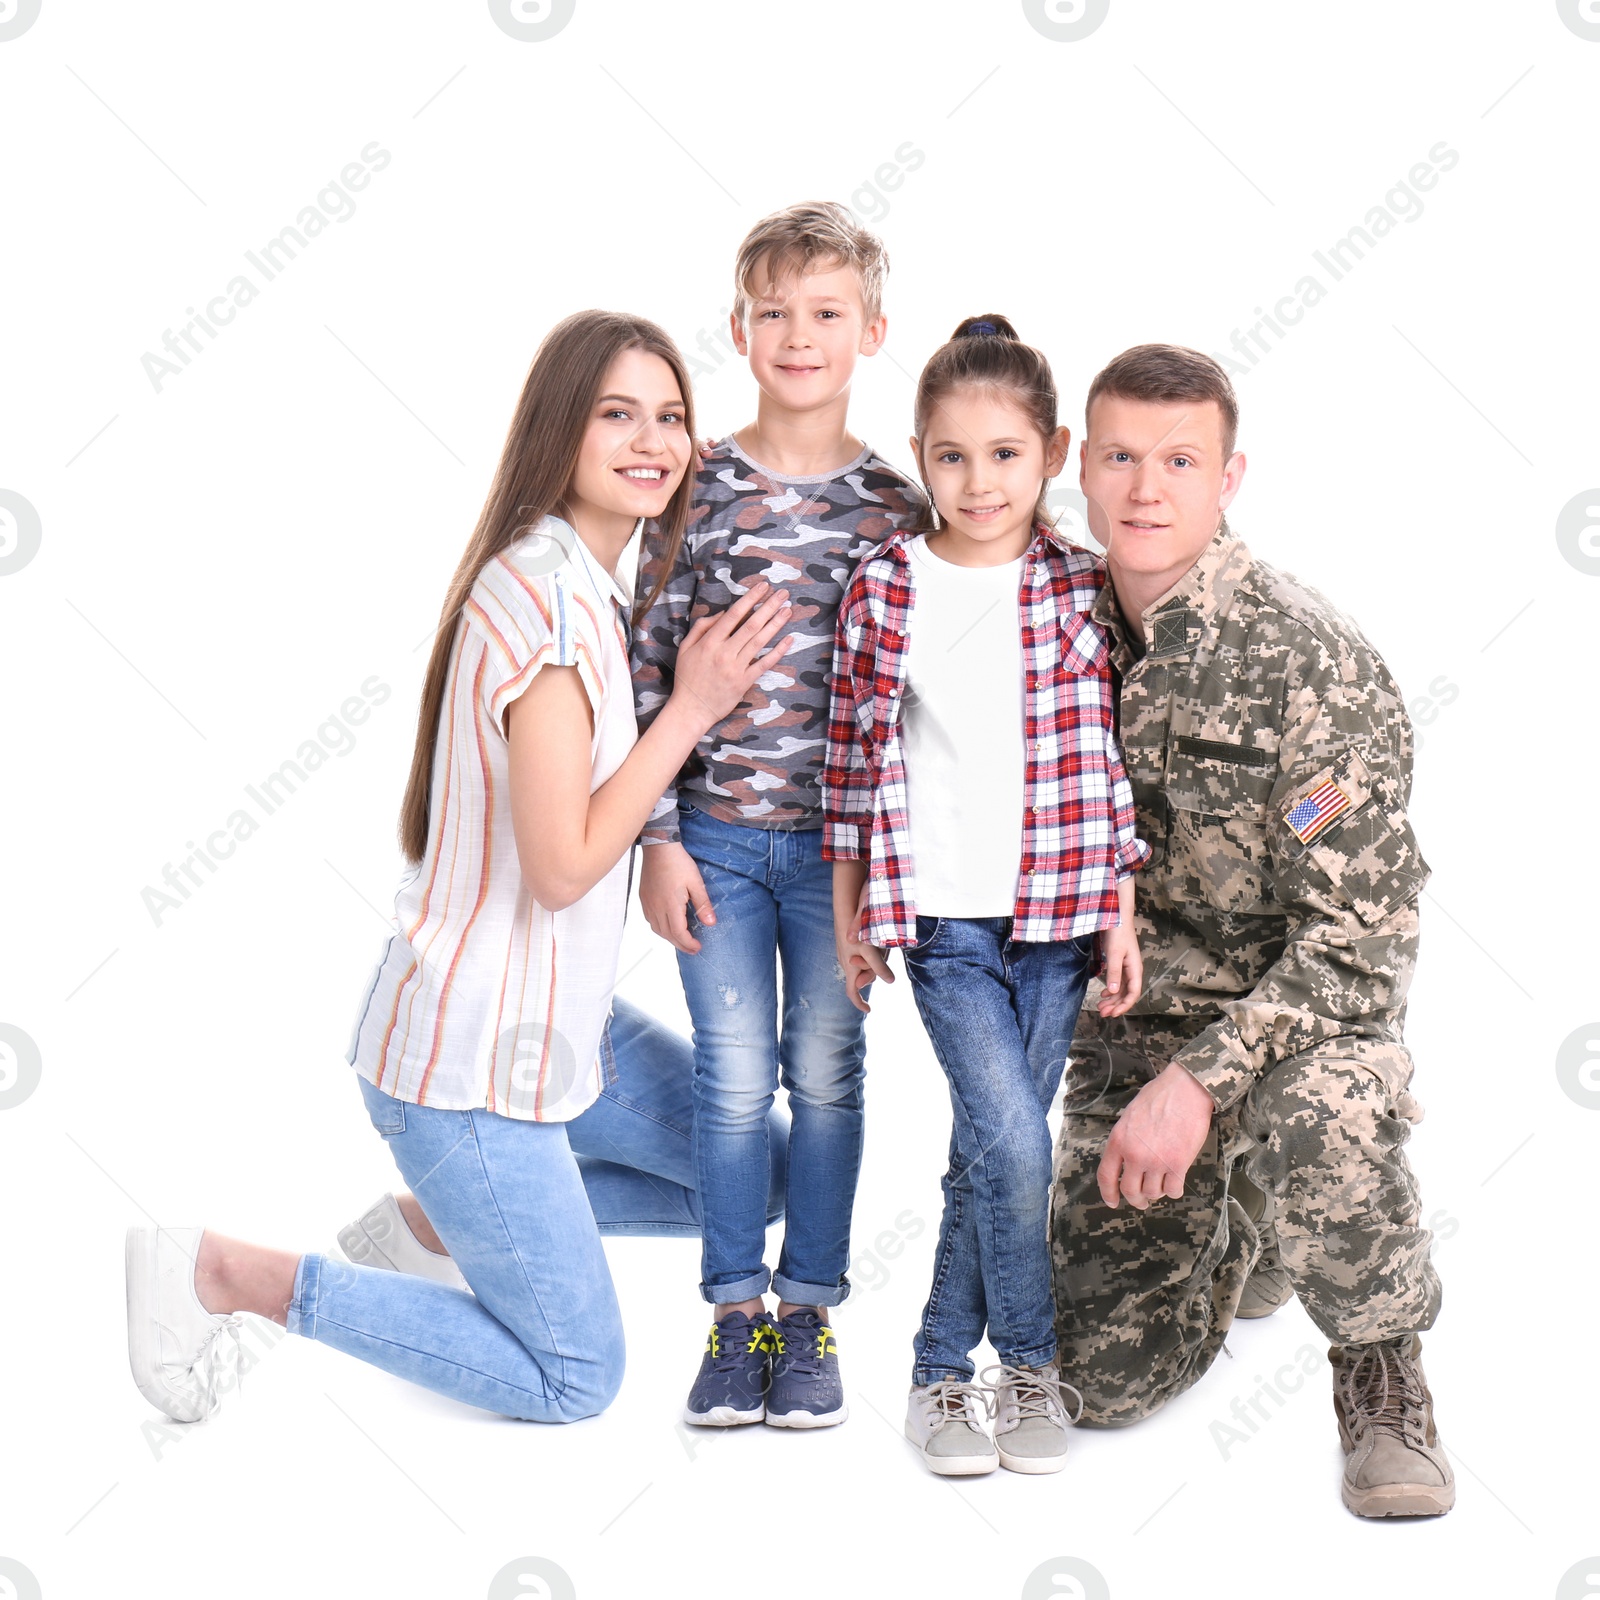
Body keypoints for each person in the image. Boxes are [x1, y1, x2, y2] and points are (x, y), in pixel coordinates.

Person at [125, 309, 796, 1426]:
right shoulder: (542, 604)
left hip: (555, 1032)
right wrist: (693, 707)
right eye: (616, 414)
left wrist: (673, 831)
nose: (652, 441)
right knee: (575, 1376)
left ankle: (439, 1223)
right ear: (559, 430)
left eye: (671, 416)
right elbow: (562, 865)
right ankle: (227, 1272)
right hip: (465, 1067)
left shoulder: (590, 580)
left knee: (764, 1173)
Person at [1048, 343, 1454, 1518]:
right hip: (1127, 1025)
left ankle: (1380, 1368)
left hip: (1290, 1025)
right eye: (1119, 455)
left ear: (1230, 478)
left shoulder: (1307, 665)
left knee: (1323, 1121)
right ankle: (1243, 1225)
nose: (1144, 488)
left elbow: (1361, 946)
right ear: (1078, 466)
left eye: (1179, 459)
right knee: (1099, 1384)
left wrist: (1202, 1082)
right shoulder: (1047, 620)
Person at [825, 316, 1150, 1477]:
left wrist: (1117, 907)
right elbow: (855, 760)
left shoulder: (1077, 582)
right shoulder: (886, 585)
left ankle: (930, 1372)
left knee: (986, 1148)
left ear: (1050, 452)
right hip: (943, 920)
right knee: (1016, 1142)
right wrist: (850, 915)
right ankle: (1026, 1364)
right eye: (951, 456)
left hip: (1058, 913)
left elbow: (1107, 759)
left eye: (1004, 454)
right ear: (919, 452)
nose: (977, 480)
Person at [630, 201, 924, 1429]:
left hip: (838, 858)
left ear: (870, 330)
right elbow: (647, 660)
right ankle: (731, 1313)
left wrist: (893, 881)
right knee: (736, 1080)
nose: (799, 337)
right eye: (774, 315)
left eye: (825, 314)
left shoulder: (897, 509)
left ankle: (808, 1312)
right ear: (739, 330)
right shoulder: (697, 490)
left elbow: (926, 700)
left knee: (829, 1072)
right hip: (715, 844)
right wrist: (652, 839)